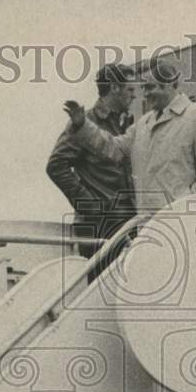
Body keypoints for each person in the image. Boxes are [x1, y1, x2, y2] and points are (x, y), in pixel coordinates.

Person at [62, 59, 196, 213]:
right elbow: (113, 147)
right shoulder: (144, 124)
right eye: (143, 88)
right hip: (148, 228)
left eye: (149, 88)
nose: (145, 94)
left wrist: (181, 209)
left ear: (169, 85)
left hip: (183, 225)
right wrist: (83, 125)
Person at [46, 63, 137, 258]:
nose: (135, 95)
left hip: (126, 221)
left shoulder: (128, 124)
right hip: (98, 224)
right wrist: (90, 205)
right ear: (114, 88)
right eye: (130, 89)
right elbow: (56, 166)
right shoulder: (84, 123)